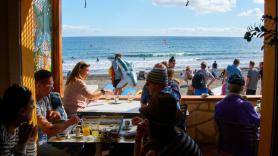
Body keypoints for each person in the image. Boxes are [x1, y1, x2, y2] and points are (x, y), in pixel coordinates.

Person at [134, 93, 202, 156]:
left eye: (147, 118)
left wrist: (138, 139)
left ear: (155, 126)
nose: (144, 120)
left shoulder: (165, 152)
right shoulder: (177, 133)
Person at [35, 69, 81, 155]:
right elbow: (49, 129)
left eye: (52, 84)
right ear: (39, 85)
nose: (52, 87)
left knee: (78, 142)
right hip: (39, 144)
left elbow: (49, 114)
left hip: (49, 138)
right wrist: (69, 122)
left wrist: (55, 113)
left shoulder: (45, 97)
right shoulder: (33, 105)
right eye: (50, 85)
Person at [215, 74, 260, 155]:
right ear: (242, 88)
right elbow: (258, 122)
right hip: (247, 148)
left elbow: (216, 127)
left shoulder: (218, 105)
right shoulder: (246, 105)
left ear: (228, 87)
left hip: (226, 146)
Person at [138, 63, 185, 130]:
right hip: (173, 127)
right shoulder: (174, 86)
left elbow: (143, 106)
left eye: (148, 83)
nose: (146, 85)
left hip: (170, 129)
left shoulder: (169, 93)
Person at [0, 84, 37, 156]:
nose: (34, 107)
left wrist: (31, 141)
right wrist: (22, 143)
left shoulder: (20, 129)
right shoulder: (2, 135)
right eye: (31, 103)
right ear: (22, 111)